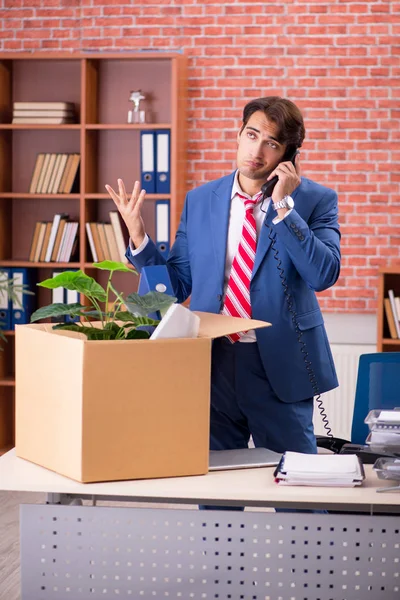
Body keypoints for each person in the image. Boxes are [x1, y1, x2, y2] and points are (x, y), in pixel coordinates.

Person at [105, 96, 341, 466]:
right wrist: (139, 238)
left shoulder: (314, 201)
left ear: (288, 155)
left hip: (278, 362)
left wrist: (284, 208)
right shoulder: (201, 200)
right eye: (251, 135)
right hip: (212, 364)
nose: (257, 151)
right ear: (238, 135)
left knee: (297, 491)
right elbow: (178, 284)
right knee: (214, 494)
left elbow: (323, 274)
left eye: (272, 143)